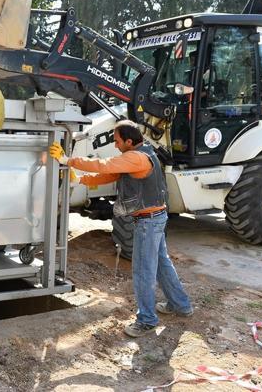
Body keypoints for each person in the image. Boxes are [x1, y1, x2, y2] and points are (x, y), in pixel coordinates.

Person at [49, 120, 192, 337]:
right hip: (155, 218)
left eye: (117, 141)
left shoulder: (135, 157)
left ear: (128, 141)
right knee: (162, 264)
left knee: (143, 271)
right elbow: (109, 174)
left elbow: (105, 165)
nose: (115, 146)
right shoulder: (142, 154)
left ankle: (147, 320)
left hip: (147, 222)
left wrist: (67, 160)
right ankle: (181, 305)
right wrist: (80, 179)